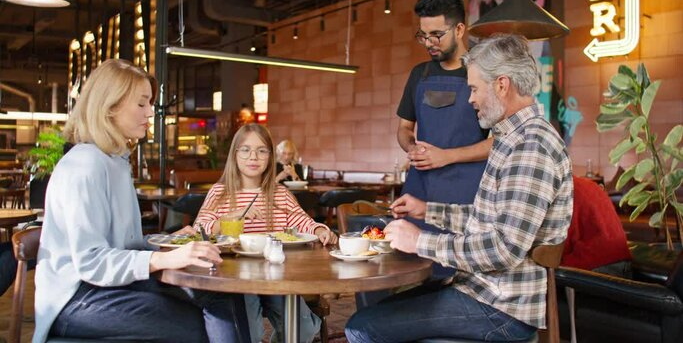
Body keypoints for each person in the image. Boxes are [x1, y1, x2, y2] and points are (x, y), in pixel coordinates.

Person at [345, 34, 574, 342]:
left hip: (501, 309)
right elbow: (490, 222)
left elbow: (502, 249)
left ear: (502, 85)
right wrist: (429, 211)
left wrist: (420, 241)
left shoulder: (531, 146)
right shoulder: (512, 139)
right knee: (378, 312)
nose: (470, 99)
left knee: (363, 327)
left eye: (475, 88)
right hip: (482, 292)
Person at [34, 59, 251, 343]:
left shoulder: (114, 161)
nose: (151, 112)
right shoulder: (85, 165)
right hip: (75, 299)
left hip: (107, 286)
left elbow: (123, 244)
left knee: (223, 292)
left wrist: (169, 240)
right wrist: (165, 257)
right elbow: (91, 262)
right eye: (142, 103)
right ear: (110, 107)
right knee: (194, 327)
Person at [194, 124, 337, 343]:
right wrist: (231, 217)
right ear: (235, 154)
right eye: (245, 150)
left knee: (303, 330)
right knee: (249, 333)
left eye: (262, 150)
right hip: (237, 279)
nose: (254, 156)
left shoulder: (280, 193)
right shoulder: (220, 192)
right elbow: (199, 229)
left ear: (271, 157)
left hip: (277, 276)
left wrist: (319, 229)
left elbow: (301, 220)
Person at [397, 0, 493, 278]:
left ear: (460, 28)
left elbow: (498, 142)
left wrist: (446, 156)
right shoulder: (420, 74)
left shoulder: (482, 73)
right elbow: (403, 128)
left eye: (436, 35)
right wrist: (411, 147)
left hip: (465, 191)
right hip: (420, 184)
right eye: (423, 35)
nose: (429, 43)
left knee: (453, 272)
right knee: (403, 264)